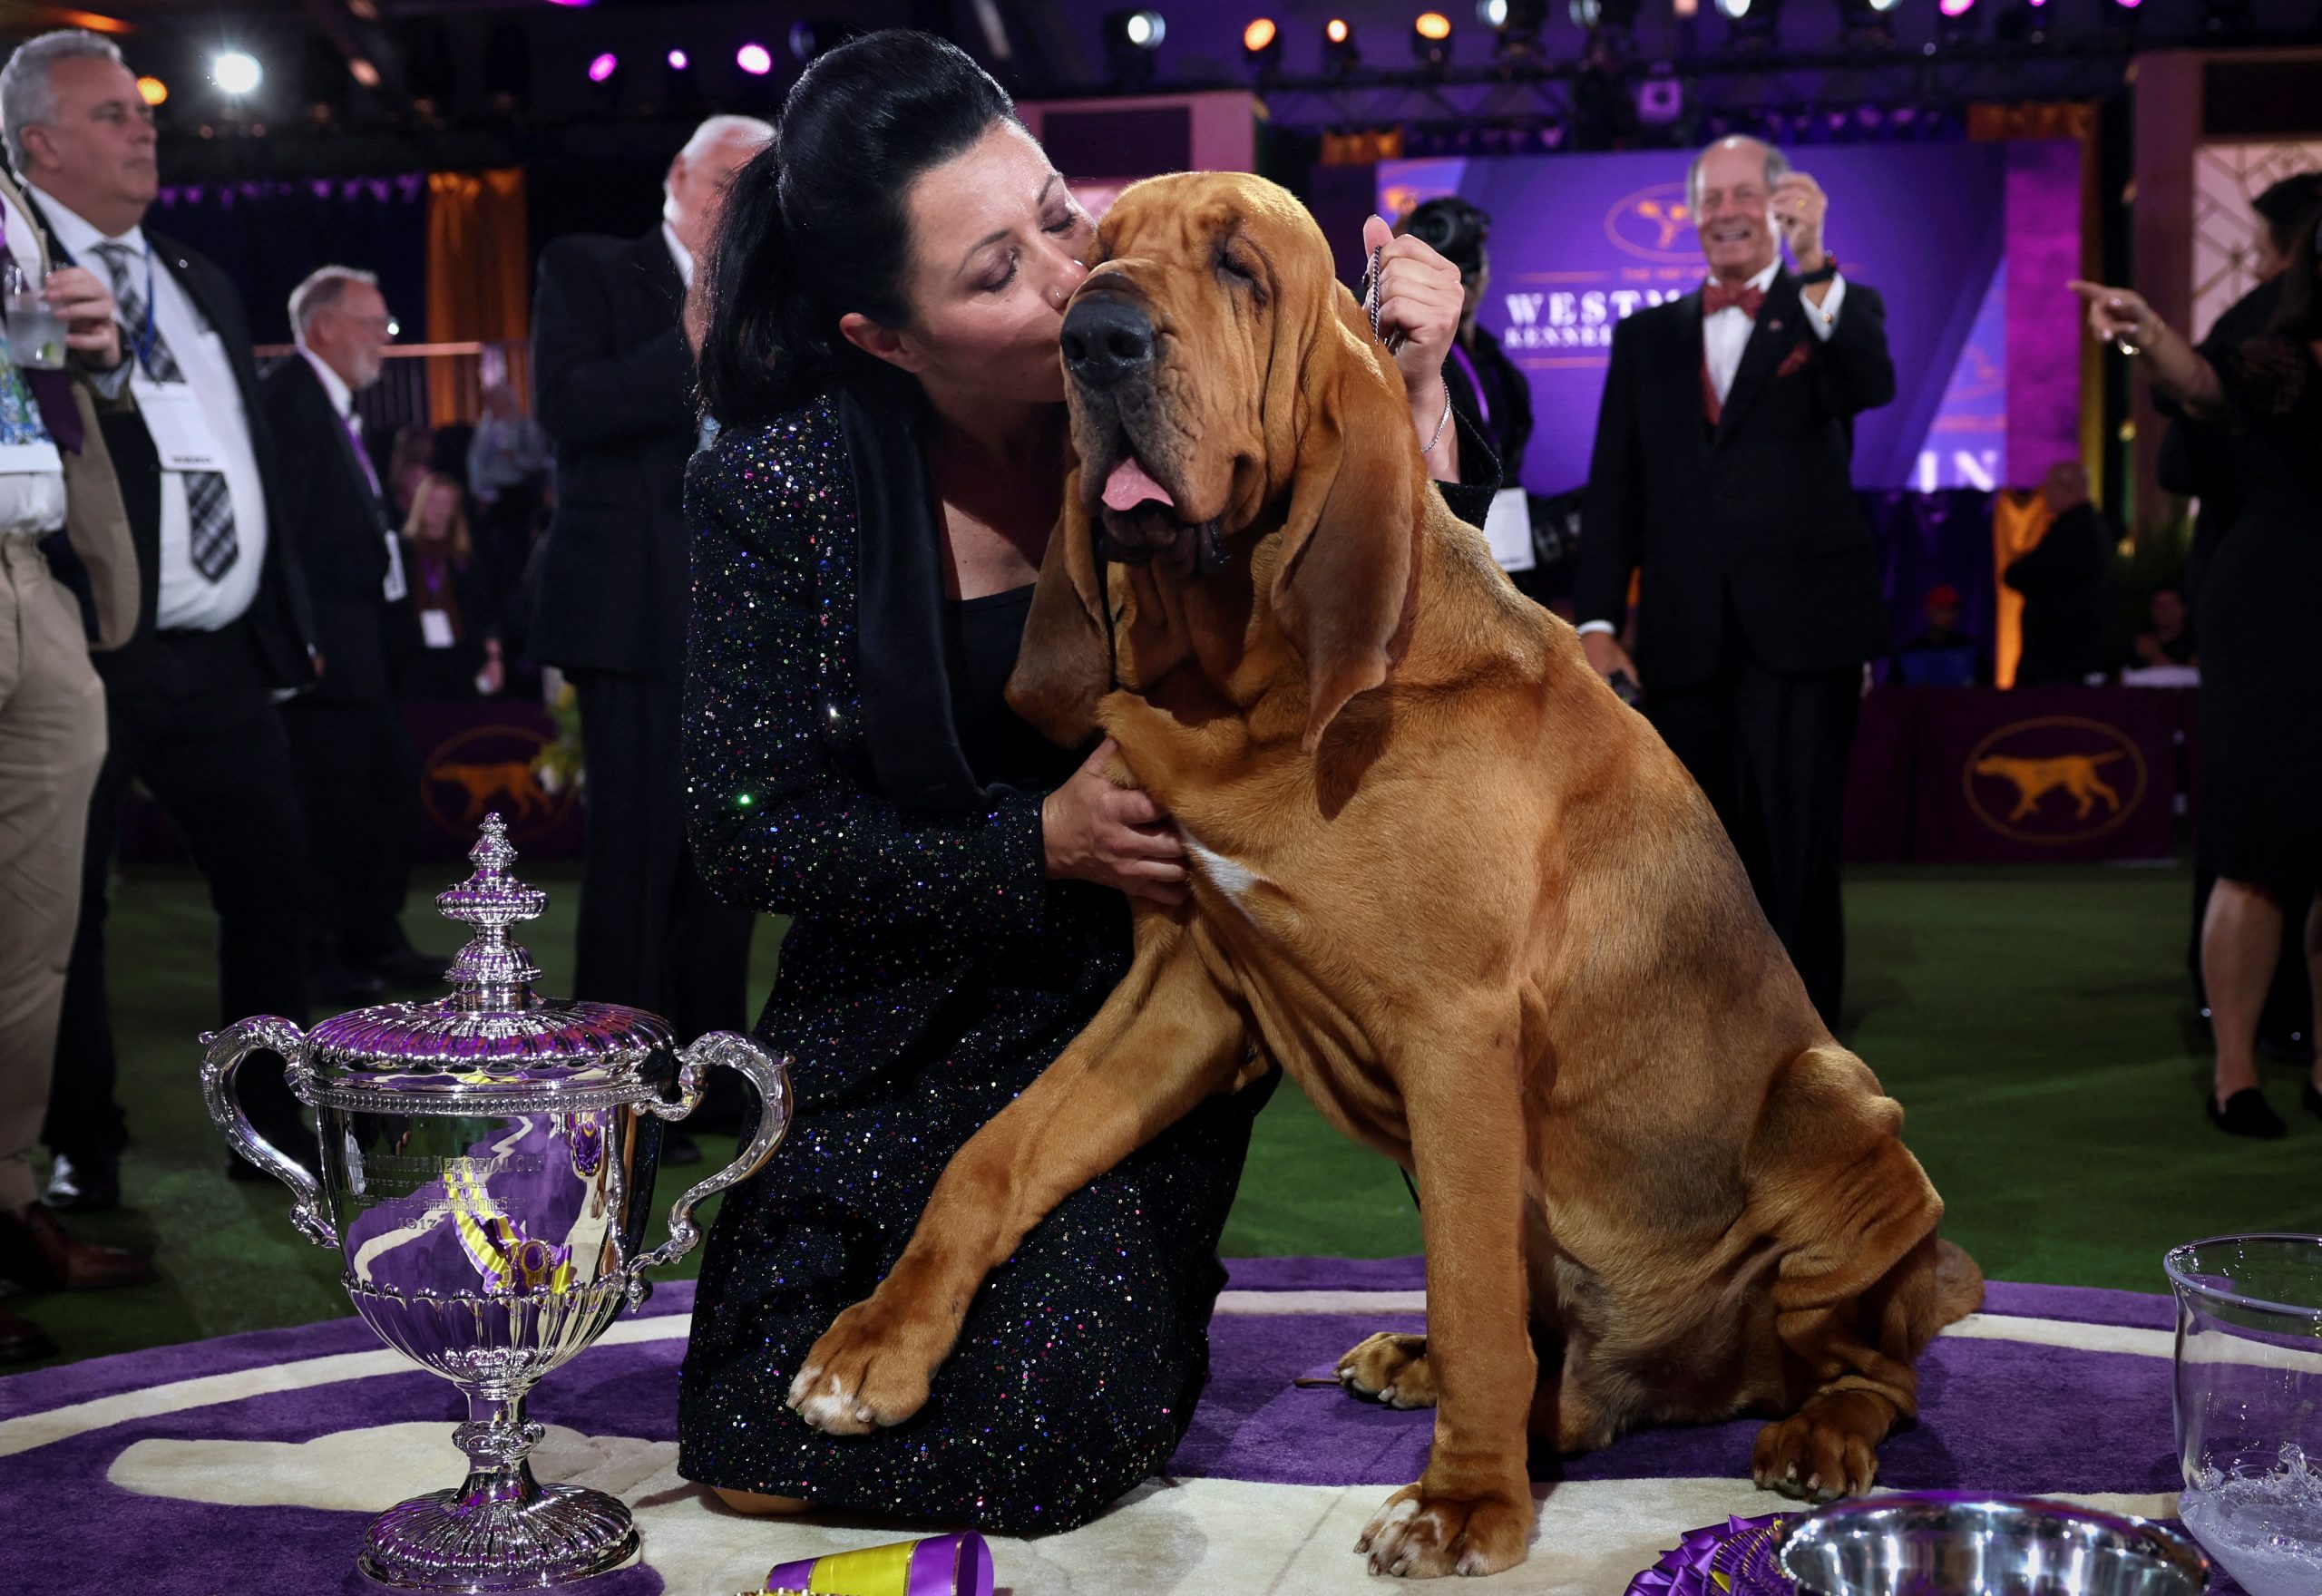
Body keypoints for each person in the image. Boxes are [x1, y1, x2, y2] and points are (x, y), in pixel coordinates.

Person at [678, 29, 1494, 1532]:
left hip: (1135, 1016)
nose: (1072, 278)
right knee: (751, 1439)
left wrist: (1410, 376)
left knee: (1036, 1442)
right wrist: (1032, 843)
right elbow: (748, 825)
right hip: (882, 1022)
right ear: (882, 336)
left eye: (1059, 210)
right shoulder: (776, 481)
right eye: (995, 272)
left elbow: (1400, 605)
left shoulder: (1180, 392)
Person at [5, 29, 319, 1207]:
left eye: (142, 114)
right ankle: (87, 1146)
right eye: (108, 117)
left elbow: (254, 464)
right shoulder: (14, 274)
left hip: (224, 654)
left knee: (275, 889)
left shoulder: (197, 274)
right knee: (68, 907)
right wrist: (34, 328)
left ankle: (269, 1128)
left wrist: (282, 621)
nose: (144, 129)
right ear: (36, 143)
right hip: (84, 645)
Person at [1576, 134, 1894, 1027]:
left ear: (1785, 201)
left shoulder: (1831, 306)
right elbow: (1616, 490)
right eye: (1710, 197)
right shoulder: (1645, 339)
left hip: (1804, 634)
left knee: (1798, 849)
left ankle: (1805, 1054)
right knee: (1695, 855)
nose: (1725, 212)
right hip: (1683, 639)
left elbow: (1867, 381)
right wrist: (1599, 619)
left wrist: (1815, 262)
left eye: (1744, 193)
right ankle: (1706, 1045)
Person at [530, 113, 772, 1156]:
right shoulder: (590, 267)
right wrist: (691, 330)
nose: (737, 201)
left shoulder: (778, 297)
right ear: (677, 174)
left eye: (759, 186)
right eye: (726, 179)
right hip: (627, 612)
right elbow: (569, 406)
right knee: (632, 863)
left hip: (742, 611)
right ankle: (616, 1088)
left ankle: (709, 1080)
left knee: (725, 859)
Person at [2073, 209, 2322, 1137]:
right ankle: (2236, 1072)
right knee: (2254, 851)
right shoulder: (2274, 344)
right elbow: (2202, 387)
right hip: (2272, 605)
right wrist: (2151, 334)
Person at [0, 149, 155, 1359]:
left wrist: (73, 351)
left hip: (29, 563)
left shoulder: (5, 183)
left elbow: (22, 357)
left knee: (35, 944)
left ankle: (9, 1209)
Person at [265, 267, 442, 1004]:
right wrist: (300, 638)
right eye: (373, 324)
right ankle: (325, 952)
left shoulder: (330, 405)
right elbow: (286, 535)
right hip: (325, 649)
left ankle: (373, 937)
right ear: (325, 325)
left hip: (360, 642)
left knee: (383, 791)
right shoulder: (290, 399)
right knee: (330, 805)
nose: (383, 339)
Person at [1396, 195, 1535, 483]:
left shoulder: (1504, 373)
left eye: (1466, 265)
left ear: (1485, 268)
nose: (1457, 279)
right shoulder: (1402, 353)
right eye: (1443, 264)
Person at [2005, 461, 2115, 687]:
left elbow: (2021, 574)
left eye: (2048, 490)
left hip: (2058, 660)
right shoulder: (2091, 528)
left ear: (2065, 490)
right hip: (2070, 656)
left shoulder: (2072, 533)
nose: (2045, 498)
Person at [395, 471, 502, 702]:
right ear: (420, 503)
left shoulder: (466, 559)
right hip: (413, 661)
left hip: (461, 660)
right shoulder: (401, 553)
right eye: (434, 501)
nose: (439, 510)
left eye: (447, 503)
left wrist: (494, 658)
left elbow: (486, 612)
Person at [1892, 583, 1985, 687]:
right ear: (1928, 610)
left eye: (1951, 609)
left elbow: (1985, 692)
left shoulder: (1971, 649)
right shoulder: (1908, 652)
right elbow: (1894, 693)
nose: (1946, 615)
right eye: (1941, 609)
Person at [2129, 584, 2196, 669]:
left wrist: (2155, 656)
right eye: (2159, 605)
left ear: (2183, 609)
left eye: (2170, 605)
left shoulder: (2195, 643)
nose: (2164, 611)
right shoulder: (2139, 642)